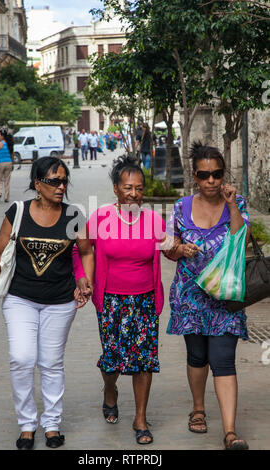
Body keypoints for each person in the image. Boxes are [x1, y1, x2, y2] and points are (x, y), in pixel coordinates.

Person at [0, 156, 94, 450]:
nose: (61, 186)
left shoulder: (74, 216)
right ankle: (27, 424)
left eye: (64, 180)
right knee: (22, 358)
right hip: (20, 299)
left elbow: (86, 251)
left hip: (60, 301)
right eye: (54, 181)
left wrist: (85, 280)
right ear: (37, 184)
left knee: (51, 363)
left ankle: (52, 424)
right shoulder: (17, 211)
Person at [73, 155, 169, 445]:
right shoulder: (101, 217)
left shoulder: (153, 219)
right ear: (116, 189)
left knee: (143, 360)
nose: (134, 194)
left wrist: (181, 248)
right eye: (127, 188)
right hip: (112, 301)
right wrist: (82, 278)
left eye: (139, 188)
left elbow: (169, 248)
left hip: (144, 301)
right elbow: (80, 250)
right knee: (113, 360)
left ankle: (140, 418)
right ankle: (110, 390)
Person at [163, 141, 251, 450]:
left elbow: (243, 237)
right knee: (197, 356)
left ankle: (230, 432)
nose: (211, 181)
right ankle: (198, 409)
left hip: (226, 296)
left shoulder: (235, 203)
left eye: (216, 174)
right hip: (190, 296)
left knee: (223, 359)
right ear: (194, 176)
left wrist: (231, 206)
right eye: (204, 175)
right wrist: (179, 248)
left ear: (223, 174)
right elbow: (167, 247)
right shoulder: (180, 206)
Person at [0, 129, 14, 203]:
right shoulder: (9, 144)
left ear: (2, 136)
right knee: (7, 181)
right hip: (8, 162)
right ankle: (6, 197)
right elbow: (12, 155)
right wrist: (12, 164)